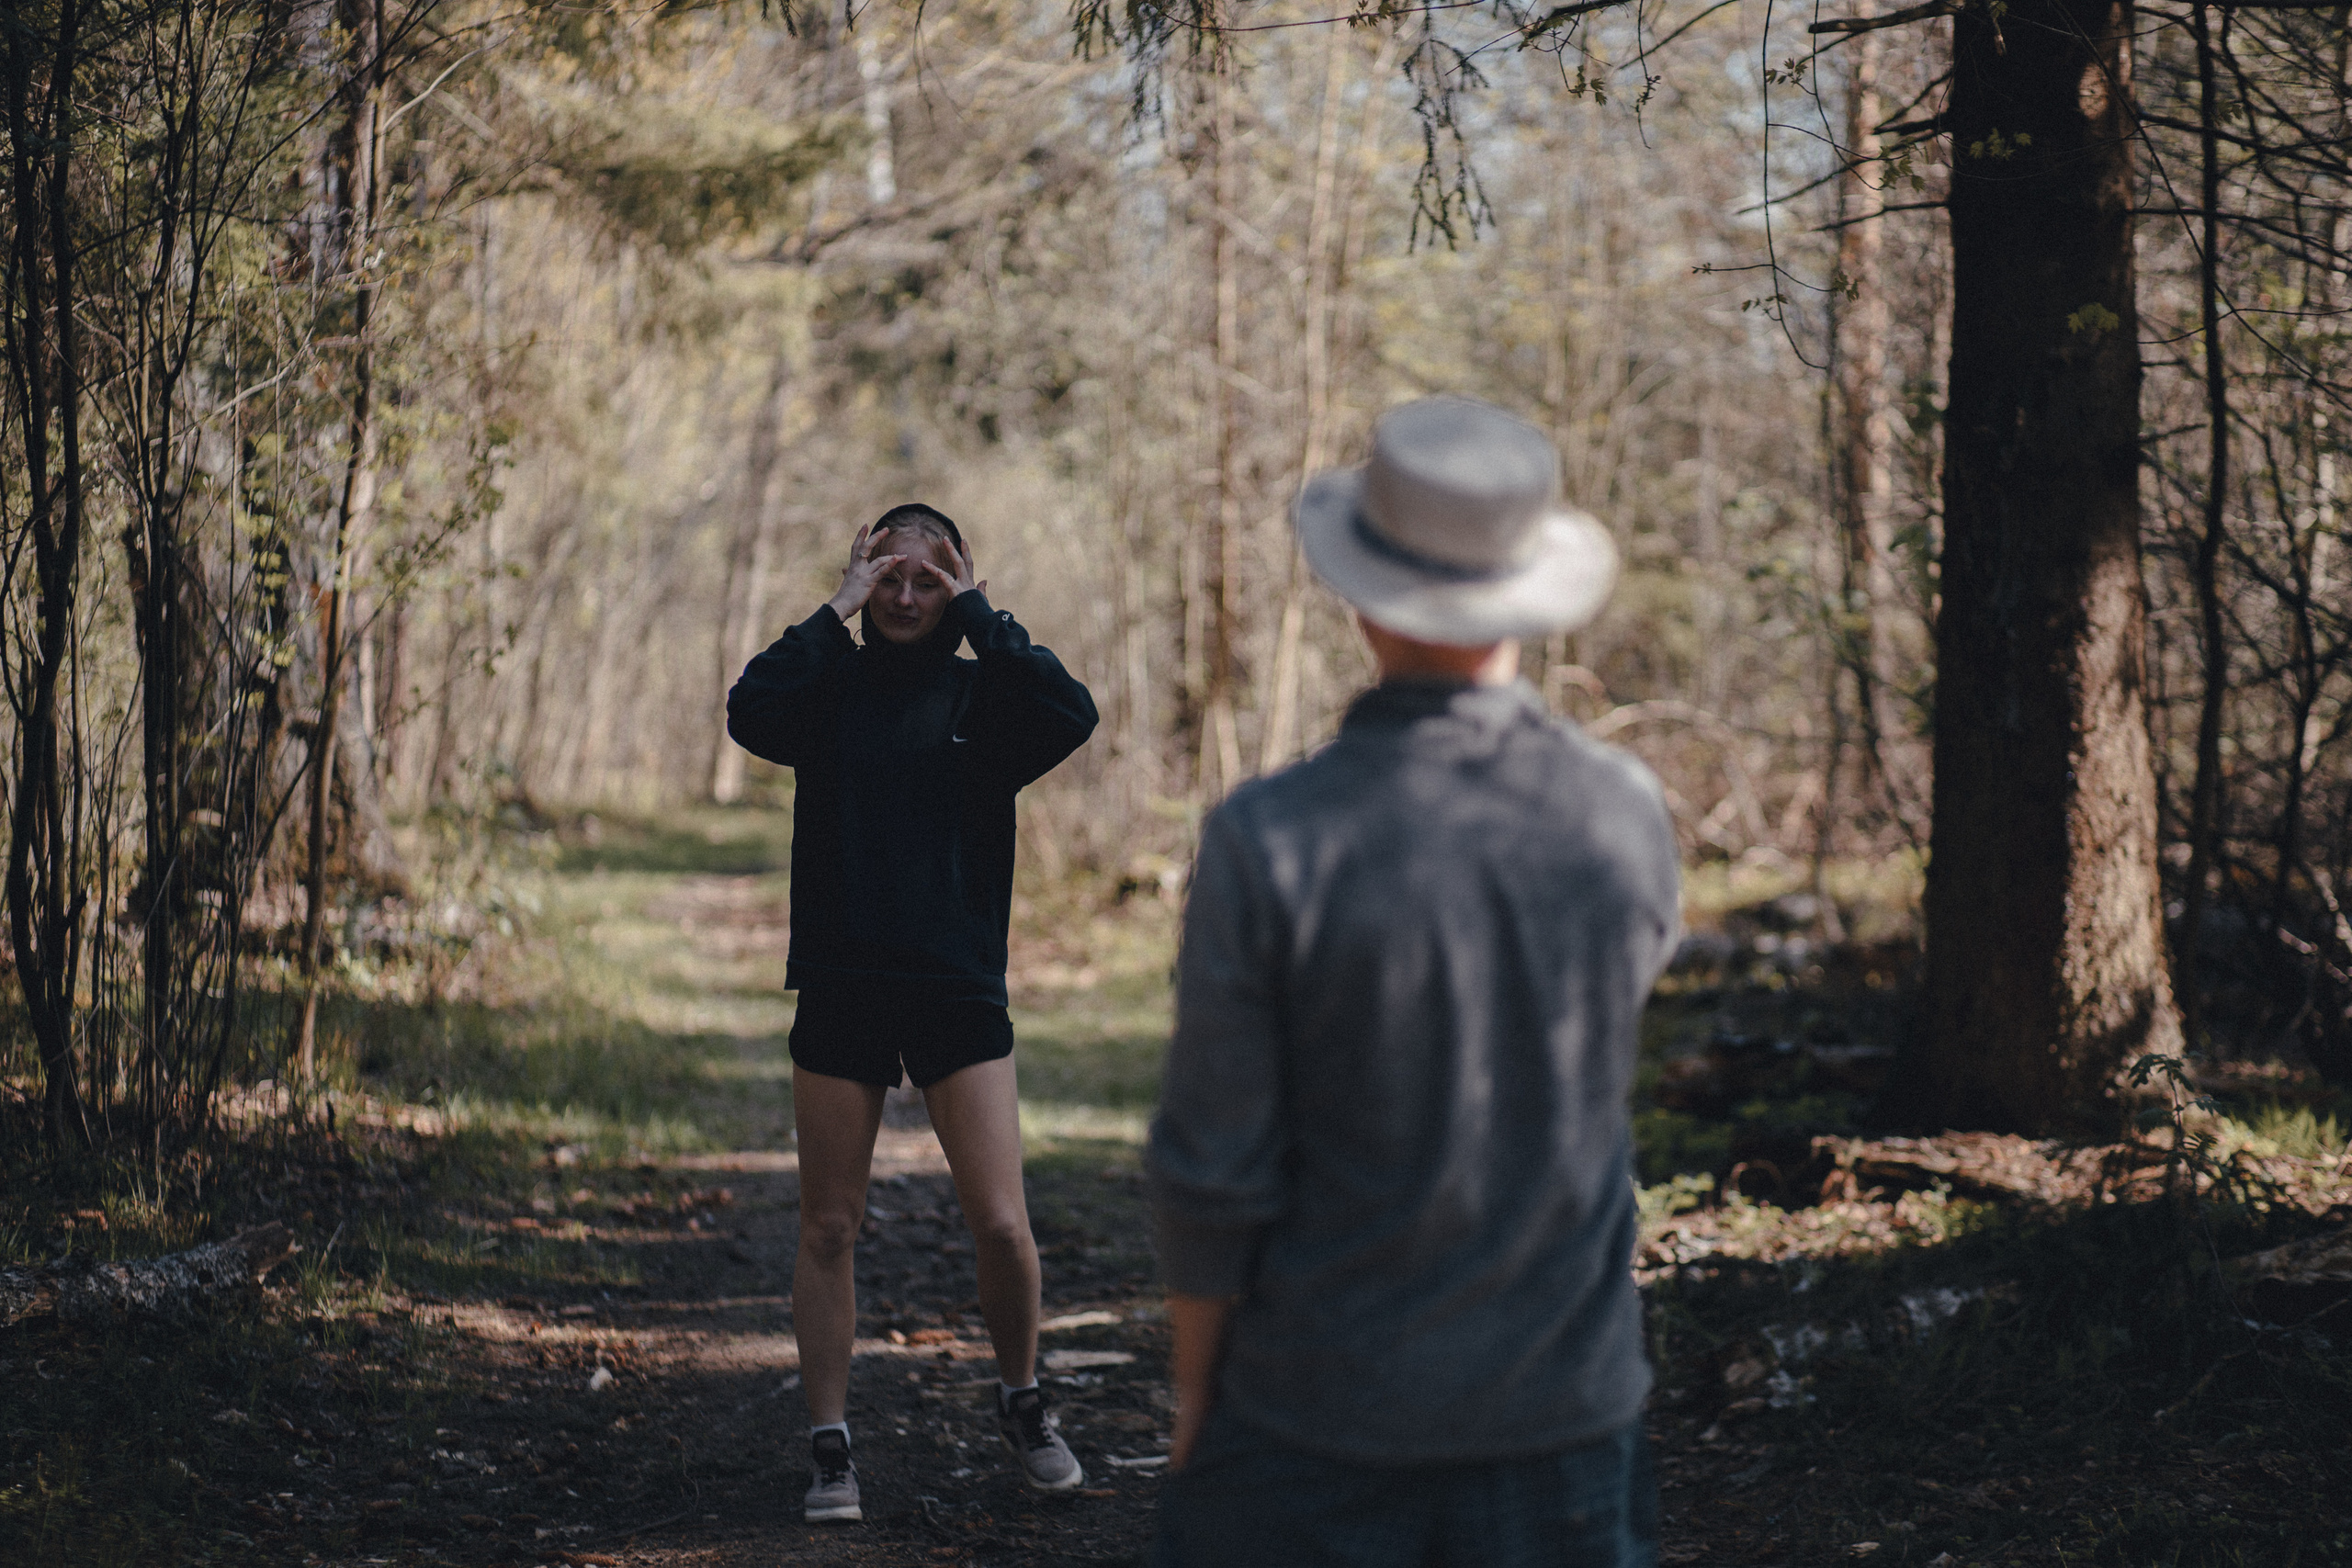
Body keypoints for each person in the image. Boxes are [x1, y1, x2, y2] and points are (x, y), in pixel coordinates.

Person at [1146, 397, 1679, 1568]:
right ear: (1525, 597)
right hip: (1566, 1422)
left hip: (1313, 1421)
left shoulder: (1270, 836)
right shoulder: (1621, 814)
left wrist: (1197, 1397)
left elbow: (1211, 1168)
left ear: (1362, 600)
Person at [726, 504, 1099, 1524]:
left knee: (1003, 1222)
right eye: (886, 576)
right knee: (829, 1224)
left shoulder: (988, 697)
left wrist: (979, 610)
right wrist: (834, 607)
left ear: (956, 582)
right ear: (864, 578)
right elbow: (749, 710)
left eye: (924, 580)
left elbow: (1071, 711)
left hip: (955, 982)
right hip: (842, 978)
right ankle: (830, 1447)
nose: (902, 597)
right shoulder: (827, 687)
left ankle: (1022, 1400)